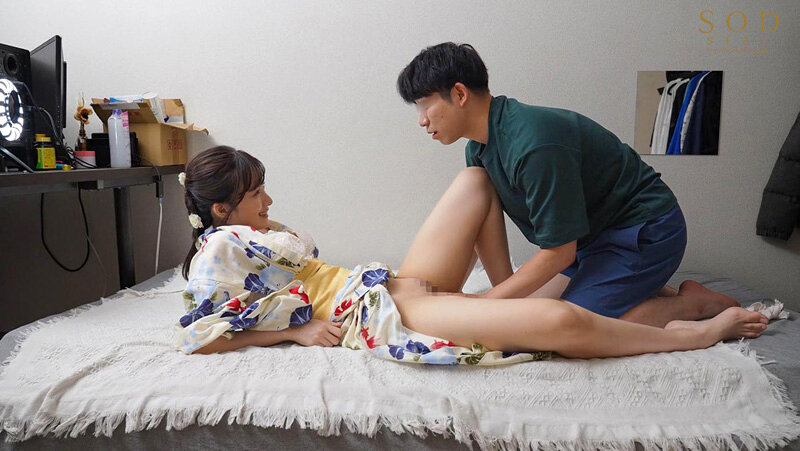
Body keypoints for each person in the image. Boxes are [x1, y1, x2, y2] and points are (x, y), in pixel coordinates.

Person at [175, 146, 768, 362]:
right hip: (384, 314)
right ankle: (694, 326)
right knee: (559, 321)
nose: (269, 200)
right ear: (221, 209)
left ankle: (503, 302)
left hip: (388, 284)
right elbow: (201, 337)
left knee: (476, 181)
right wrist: (297, 333)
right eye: (256, 194)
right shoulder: (218, 250)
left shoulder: (248, 233)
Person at [397, 42, 740, 328]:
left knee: (568, 328)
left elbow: (560, 252)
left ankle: (693, 305)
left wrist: (486, 305)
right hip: (591, 240)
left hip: (645, 231)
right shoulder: (479, 149)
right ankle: (641, 286)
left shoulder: (533, 144)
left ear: (459, 93)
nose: (422, 120)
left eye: (425, 105)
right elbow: (482, 224)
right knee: (527, 314)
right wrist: (498, 298)